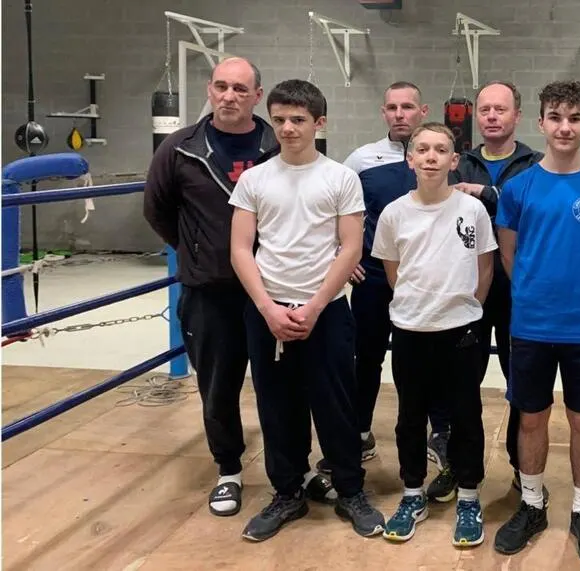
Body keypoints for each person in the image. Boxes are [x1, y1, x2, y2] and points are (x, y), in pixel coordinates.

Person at [143, 57, 333, 518]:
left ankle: (297, 468)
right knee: (218, 386)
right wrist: (197, 250)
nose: (229, 96)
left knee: (287, 388)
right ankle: (228, 469)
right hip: (211, 292)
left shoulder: (279, 141)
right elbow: (157, 209)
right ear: (210, 90)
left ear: (256, 95)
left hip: (278, 289)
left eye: (240, 89)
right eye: (222, 86)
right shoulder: (179, 148)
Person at [228, 78, 386, 541]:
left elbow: (351, 248)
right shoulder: (255, 179)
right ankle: (287, 492)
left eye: (298, 119)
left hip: (327, 310)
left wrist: (315, 306)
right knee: (277, 405)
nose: (288, 128)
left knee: (336, 404)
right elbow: (240, 248)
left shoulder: (340, 177)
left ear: (320, 123)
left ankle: (350, 490)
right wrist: (267, 309)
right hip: (268, 311)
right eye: (279, 119)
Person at [493, 80, 580, 565]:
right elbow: (509, 255)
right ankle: (532, 503)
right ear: (541, 122)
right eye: (556, 117)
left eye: (574, 118)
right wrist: (535, 296)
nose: (564, 127)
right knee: (531, 417)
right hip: (531, 325)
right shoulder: (518, 188)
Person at [371, 122, 496, 547]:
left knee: (466, 416)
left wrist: (467, 311)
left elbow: (484, 268)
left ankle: (468, 496)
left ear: (454, 160)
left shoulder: (472, 210)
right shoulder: (394, 213)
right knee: (410, 417)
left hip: (460, 331)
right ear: (410, 159)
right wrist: (417, 307)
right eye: (422, 149)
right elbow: (393, 272)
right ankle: (412, 494)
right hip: (410, 329)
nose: (430, 157)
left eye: (440, 150)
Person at [427, 80, 543, 502]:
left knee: (521, 384)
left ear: (517, 116)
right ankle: (459, 467)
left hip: (517, 289)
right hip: (467, 289)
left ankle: (522, 467)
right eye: (485, 109)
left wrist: (487, 194)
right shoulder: (460, 163)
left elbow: (534, 210)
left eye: (501, 109)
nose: (492, 116)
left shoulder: (536, 165)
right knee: (459, 383)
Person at [338, 81, 451, 472]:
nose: (399, 114)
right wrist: (341, 254)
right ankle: (359, 432)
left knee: (432, 358)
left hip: (427, 278)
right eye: (392, 107)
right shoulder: (361, 159)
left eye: (407, 107)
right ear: (383, 112)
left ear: (423, 111)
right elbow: (336, 209)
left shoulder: (438, 154)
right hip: (372, 277)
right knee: (366, 357)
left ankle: (440, 432)